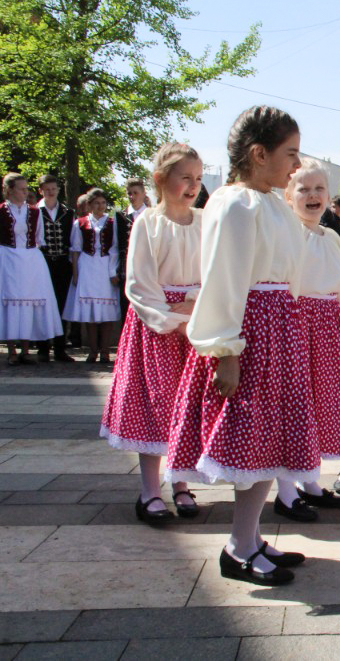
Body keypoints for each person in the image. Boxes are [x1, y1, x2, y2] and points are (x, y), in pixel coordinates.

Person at [166, 105, 315, 586]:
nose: (297, 164)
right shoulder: (235, 204)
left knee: (270, 440)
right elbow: (224, 281)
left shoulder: (271, 203)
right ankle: (238, 547)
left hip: (278, 331)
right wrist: (226, 352)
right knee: (252, 441)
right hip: (253, 336)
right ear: (258, 154)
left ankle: (250, 538)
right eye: (290, 153)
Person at [100, 142, 204, 523]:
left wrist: (195, 303)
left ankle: (181, 482)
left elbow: (216, 271)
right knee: (154, 407)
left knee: (187, 407)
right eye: (185, 178)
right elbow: (139, 281)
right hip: (156, 328)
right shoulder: (148, 222)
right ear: (160, 179)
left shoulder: (205, 221)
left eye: (198, 178)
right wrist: (168, 316)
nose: (193, 185)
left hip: (195, 324)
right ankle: (149, 491)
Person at [272, 160, 340, 522]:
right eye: (304, 189)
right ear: (288, 195)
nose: (312, 196)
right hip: (296, 323)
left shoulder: (332, 237)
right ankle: (285, 491)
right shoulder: (285, 232)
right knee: (292, 406)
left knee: (318, 406)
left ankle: (308, 481)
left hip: (328, 326)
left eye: (319, 189)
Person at [1, 173, 64, 364]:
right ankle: (12, 351)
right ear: (10, 190)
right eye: (21, 189)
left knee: (29, 301)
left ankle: (26, 350)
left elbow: (39, 238)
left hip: (30, 259)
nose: (25, 192)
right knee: (10, 301)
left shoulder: (35, 212)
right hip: (7, 257)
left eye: (26, 188)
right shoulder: (2, 210)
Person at [64, 188, 121, 363]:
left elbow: (114, 249)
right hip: (87, 267)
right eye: (96, 203)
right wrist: (76, 274)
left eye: (103, 203)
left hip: (105, 267)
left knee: (107, 313)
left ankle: (105, 351)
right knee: (90, 314)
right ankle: (93, 350)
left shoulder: (112, 223)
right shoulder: (80, 223)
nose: (100, 206)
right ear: (89, 205)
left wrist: (113, 271)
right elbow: (75, 250)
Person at [35, 174, 75, 362]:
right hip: (42, 263)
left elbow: (73, 240)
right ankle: (43, 348)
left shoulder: (68, 212)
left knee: (61, 304)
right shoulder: (35, 212)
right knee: (42, 304)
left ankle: (60, 348)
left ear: (58, 190)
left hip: (63, 264)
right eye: (47, 189)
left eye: (53, 189)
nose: (51, 192)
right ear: (40, 191)